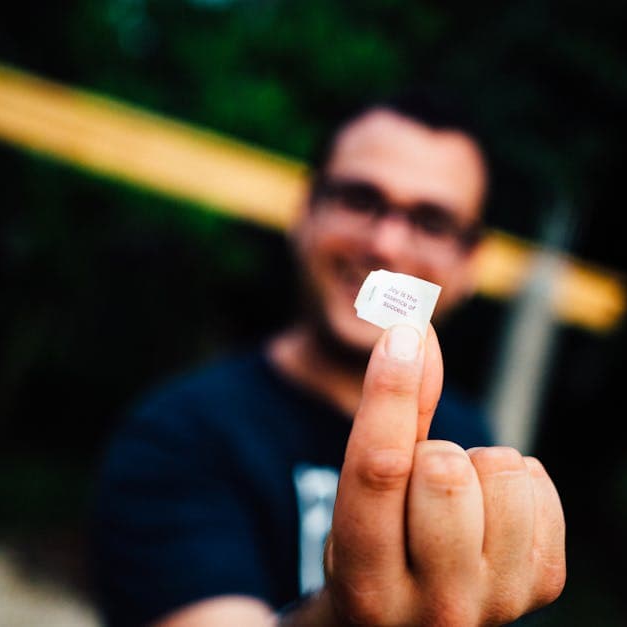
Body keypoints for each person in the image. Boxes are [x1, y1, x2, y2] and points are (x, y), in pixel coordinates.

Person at [92, 93, 566, 626]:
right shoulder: (179, 432)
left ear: (469, 264)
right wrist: (348, 615)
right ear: (305, 211)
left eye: (432, 221)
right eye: (360, 199)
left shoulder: (472, 439)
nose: (385, 243)